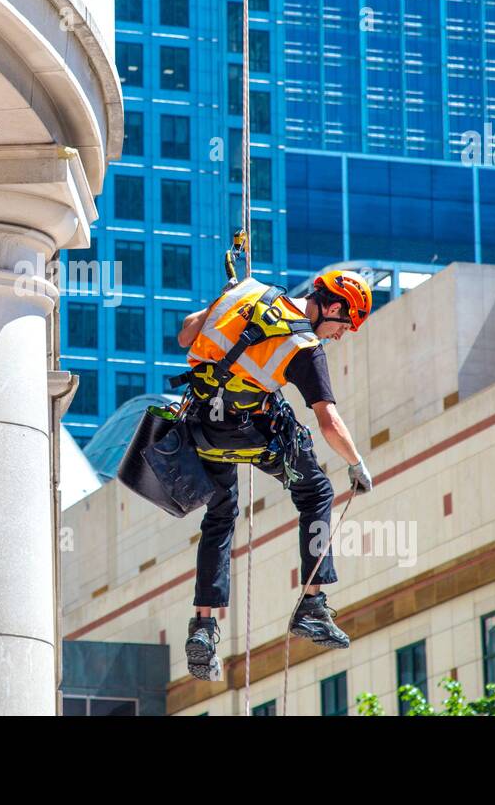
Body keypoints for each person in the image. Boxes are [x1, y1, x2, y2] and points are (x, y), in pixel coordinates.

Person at [174, 269, 375, 681]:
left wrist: (222, 302)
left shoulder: (249, 291)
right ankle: (313, 605)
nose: (341, 335)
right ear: (333, 307)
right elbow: (328, 421)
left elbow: (185, 336)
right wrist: (355, 463)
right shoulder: (305, 344)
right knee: (316, 491)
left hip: (202, 427)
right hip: (254, 430)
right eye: (344, 325)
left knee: (220, 514)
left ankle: (205, 627)